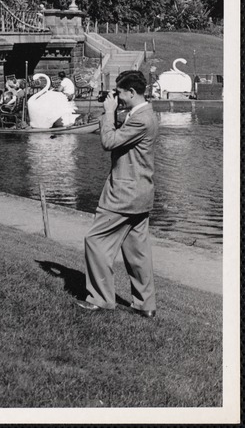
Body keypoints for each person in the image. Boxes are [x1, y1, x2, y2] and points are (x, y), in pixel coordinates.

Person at [76, 70, 159, 318]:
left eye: (120, 93)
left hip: (123, 195)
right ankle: (145, 305)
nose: (117, 97)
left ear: (131, 92)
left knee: (96, 241)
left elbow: (109, 142)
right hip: (141, 194)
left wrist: (110, 113)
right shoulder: (146, 114)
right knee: (137, 253)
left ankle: (101, 299)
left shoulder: (140, 119)